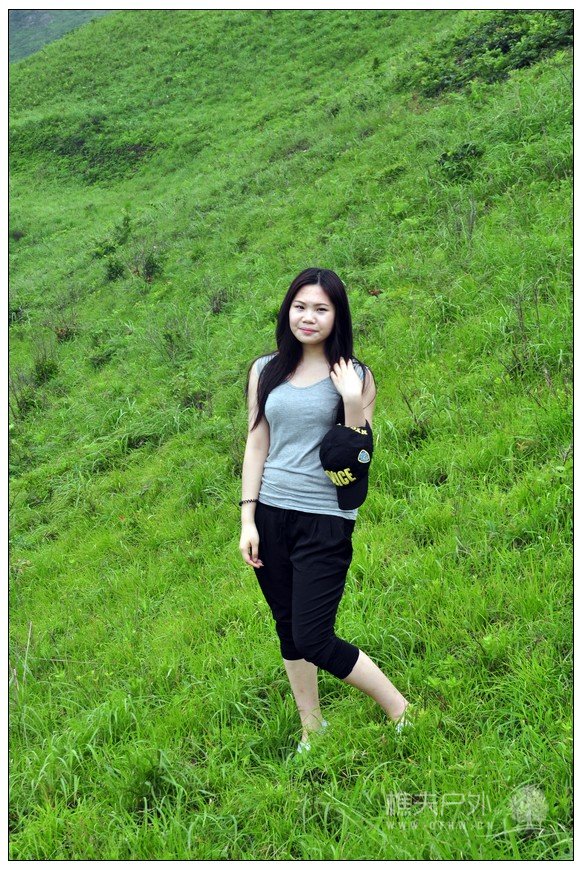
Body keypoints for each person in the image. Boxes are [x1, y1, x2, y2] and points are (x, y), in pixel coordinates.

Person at [239, 267, 412, 753]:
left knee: (314, 635)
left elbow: (355, 458)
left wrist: (352, 403)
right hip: (270, 515)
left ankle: (400, 710)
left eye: (321, 308)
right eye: (300, 307)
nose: (308, 317)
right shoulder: (265, 370)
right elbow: (256, 443)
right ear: (287, 311)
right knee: (288, 627)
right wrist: (248, 518)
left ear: (338, 316)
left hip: (325, 519)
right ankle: (312, 729)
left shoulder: (356, 376)